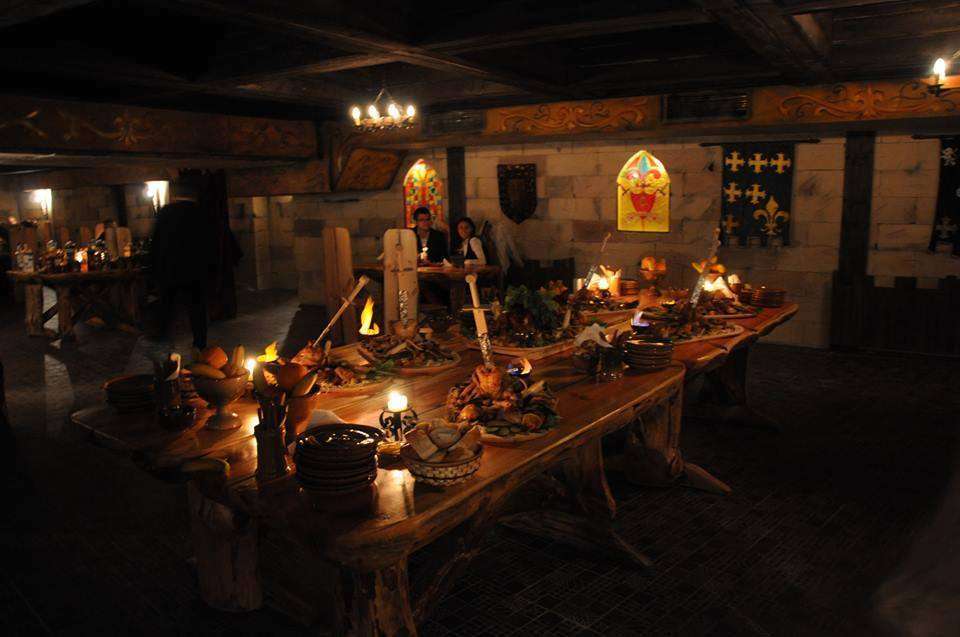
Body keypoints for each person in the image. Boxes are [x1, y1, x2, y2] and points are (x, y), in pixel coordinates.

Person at [150, 177, 217, 349]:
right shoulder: (202, 213)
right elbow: (211, 243)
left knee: (167, 308)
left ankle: (162, 343)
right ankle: (200, 344)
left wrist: (155, 268)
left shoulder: (166, 213)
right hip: (195, 270)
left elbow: (156, 243)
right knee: (197, 309)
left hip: (170, 269)